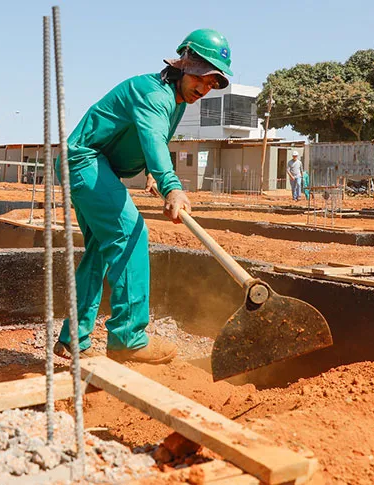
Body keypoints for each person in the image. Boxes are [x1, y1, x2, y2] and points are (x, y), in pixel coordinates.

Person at [54, 29, 233, 365]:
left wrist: (152, 172)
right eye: (201, 78)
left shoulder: (175, 100)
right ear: (183, 64)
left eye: (211, 83)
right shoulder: (153, 93)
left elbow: (154, 139)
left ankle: (72, 339)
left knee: (100, 251)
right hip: (84, 161)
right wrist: (171, 186)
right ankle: (128, 338)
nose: (204, 88)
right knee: (131, 234)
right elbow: (152, 137)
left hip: (95, 165)